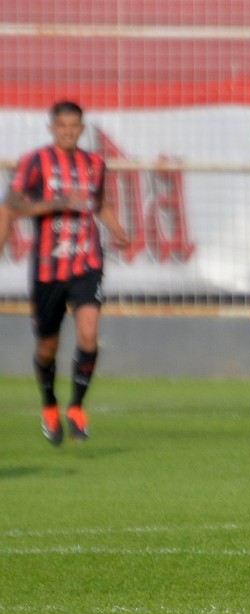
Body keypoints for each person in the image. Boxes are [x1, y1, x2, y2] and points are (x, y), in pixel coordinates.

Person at [3, 101, 130, 445]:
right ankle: (49, 406)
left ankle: (76, 407)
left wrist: (117, 229)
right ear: (52, 128)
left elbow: (99, 203)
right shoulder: (35, 162)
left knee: (89, 334)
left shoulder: (95, 164)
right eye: (62, 126)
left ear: (82, 127)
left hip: (87, 263)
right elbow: (13, 203)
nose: (69, 132)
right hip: (48, 270)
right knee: (47, 347)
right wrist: (56, 203)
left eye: (75, 126)